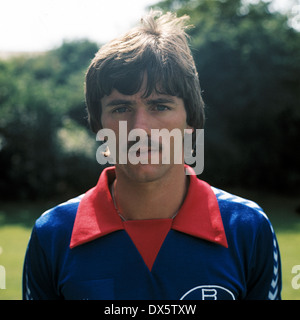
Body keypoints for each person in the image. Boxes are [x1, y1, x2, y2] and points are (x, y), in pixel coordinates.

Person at [23, 11, 281, 300]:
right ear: (99, 125)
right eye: (121, 109)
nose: (139, 128)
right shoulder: (53, 234)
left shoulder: (247, 228)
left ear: (190, 120)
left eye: (160, 106)